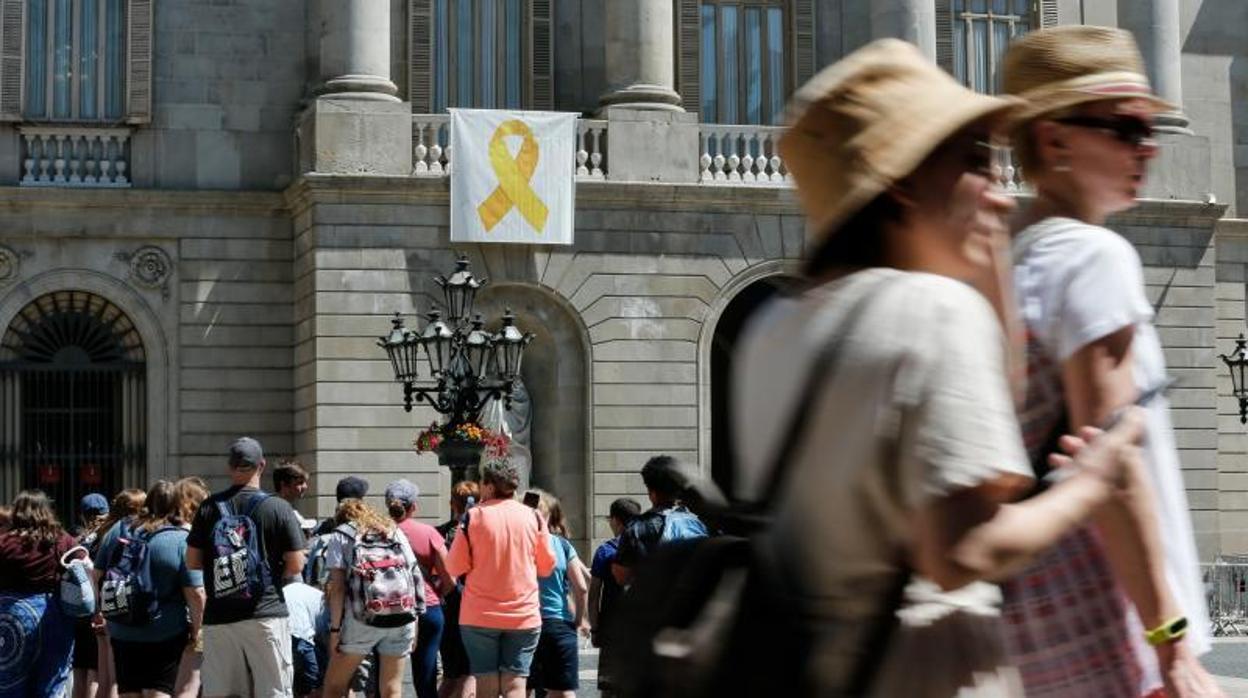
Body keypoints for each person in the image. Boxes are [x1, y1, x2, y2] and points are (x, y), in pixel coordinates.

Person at [728, 38, 1149, 695]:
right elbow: (964, 550)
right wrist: (1093, 482)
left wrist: (991, 280)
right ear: (901, 184)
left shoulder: (774, 325)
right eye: (977, 162)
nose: (1002, 195)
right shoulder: (932, 311)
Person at [1000, 25, 1222, 697]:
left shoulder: (1018, 257)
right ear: (1054, 139)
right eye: (1124, 128)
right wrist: (1170, 640)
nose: (1148, 146)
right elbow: (1114, 465)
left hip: (1039, 636)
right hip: (1113, 636)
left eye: (1149, 127)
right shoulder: (1091, 257)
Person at [186, 436, 307, 698]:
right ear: (261, 465)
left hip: (219, 616)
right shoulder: (278, 507)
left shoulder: (208, 508)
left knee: (223, 693)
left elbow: (192, 562)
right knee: (273, 691)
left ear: (230, 467)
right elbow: (296, 564)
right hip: (265, 612)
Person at [446, 462, 556, 698]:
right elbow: (547, 567)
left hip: (479, 614)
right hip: (523, 614)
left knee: (486, 686)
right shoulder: (533, 517)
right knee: (516, 685)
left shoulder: (473, 517)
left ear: (488, 486)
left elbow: (455, 566)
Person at [94, 481, 205, 698]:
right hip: (165, 631)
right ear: (177, 505)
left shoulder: (120, 529)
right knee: (159, 692)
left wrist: (100, 610)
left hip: (122, 628)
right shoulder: (180, 540)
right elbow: (196, 593)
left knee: (128, 692)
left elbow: (97, 574)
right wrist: (198, 632)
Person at [322, 497, 426, 698]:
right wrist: (415, 622)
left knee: (334, 685)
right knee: (391, 689)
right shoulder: (393, 531)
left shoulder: (342, 534)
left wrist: (335, 630)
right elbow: (415, 575)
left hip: (361, 619)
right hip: (401, 616)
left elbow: (338, 588)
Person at [0, 490, 78, 697]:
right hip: (53, 614)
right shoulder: (63, 540)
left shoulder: (5, 542)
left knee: (11, 681)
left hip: (10, 616)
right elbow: (84, 565)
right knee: (52, 680)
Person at [385, 479, 453, 698]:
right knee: (426, 674)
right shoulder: (429, 533)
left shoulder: (377, 533)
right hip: (427, 607)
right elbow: (449, 578)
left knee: (384, 676)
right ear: (413, 506)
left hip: (387, 608)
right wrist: (438, 592)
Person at [527, 489, 589, 698]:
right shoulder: (562, 545)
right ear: (546, 516)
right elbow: (581, 587)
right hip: (558, 622)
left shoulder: (516, 543)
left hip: (524, 621)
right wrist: (579, 620)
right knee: (562, 690)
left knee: (521, 688)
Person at [611, 456, 707, 586]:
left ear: (652, 492)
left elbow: (621, 578)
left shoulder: (636, 528)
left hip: (653, 603)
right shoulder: (699, 524)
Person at [93, 488, 147, 698]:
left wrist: (97, 609)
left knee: (105, 676)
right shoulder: (145, 528)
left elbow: (96, 575)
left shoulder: (110, 531)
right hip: (137, 604)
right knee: (119, 679)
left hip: (111, 600)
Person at [588, 498, 639, 697]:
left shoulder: (605, 550)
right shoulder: (649, 545)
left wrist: (594, 628)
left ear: (616, 520)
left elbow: (594, 595)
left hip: (611, 627)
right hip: (640, 627)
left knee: (609, 688)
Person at [437, 480, 479, 698]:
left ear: (451, 503)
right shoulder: (479, 533)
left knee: (451, 674)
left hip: (446, 607)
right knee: (470, 673)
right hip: (473, 606)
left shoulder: (440, 533)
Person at [171, 477, 210, 698]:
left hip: (161, 624)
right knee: (189, 686)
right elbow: (197, 592)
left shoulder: (159, 533)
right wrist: (200, 634)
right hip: (189, 623)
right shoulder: (188, 538)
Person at [71, 492, 110, 698]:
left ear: (82, 516)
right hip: (98, 609)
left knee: (79, 670)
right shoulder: (107, 539)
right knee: (95, 671)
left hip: (77, 609)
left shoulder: (76, 541)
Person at [285, 579, 328, 698]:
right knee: (313, 680)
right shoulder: (325, 604)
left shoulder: (311, 595)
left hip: (284, 627)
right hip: (298, 633)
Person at [274, 460, 316, 536]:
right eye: (300, 483)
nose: (305, 487)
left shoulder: (289, 510)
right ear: (283, 485)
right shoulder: (278, 512)